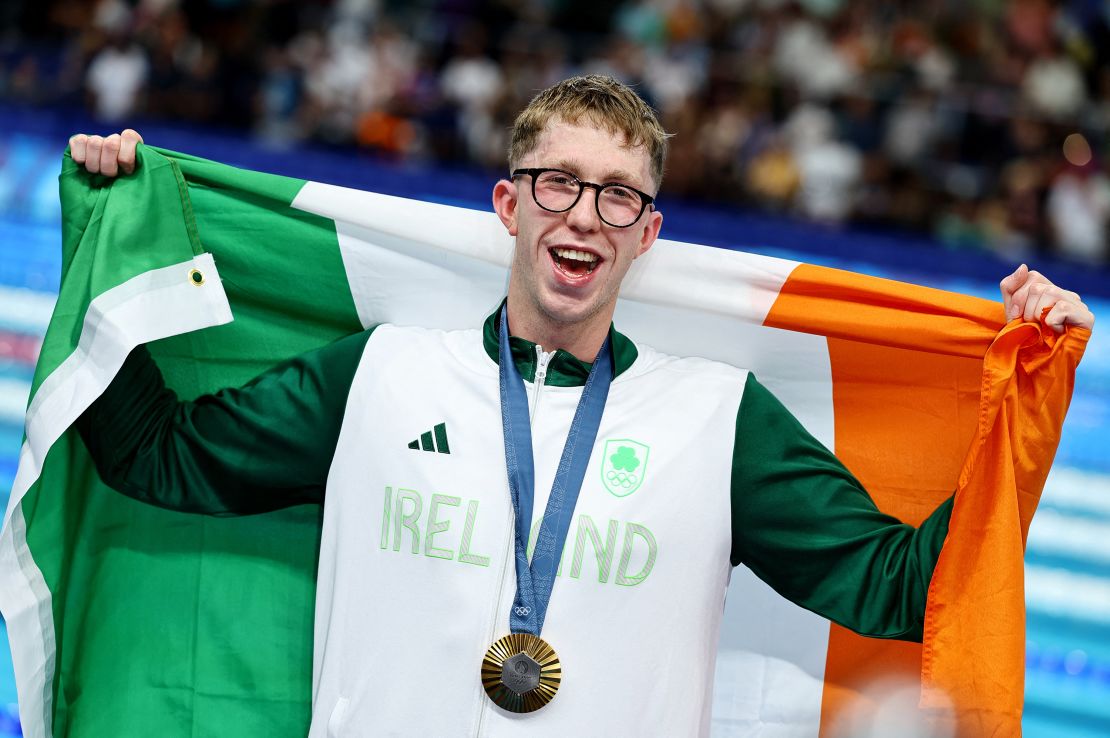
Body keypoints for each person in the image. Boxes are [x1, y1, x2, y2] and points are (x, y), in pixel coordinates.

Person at [70, 75, 1093, 736]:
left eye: (617, 194)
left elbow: (906, 588)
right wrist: (109, 232)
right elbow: (161, 457)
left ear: (646, 234)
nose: (584, 216)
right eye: (558, 183)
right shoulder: (379, 372)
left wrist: (1029, 402)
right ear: (509, 204)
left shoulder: (718, 418)